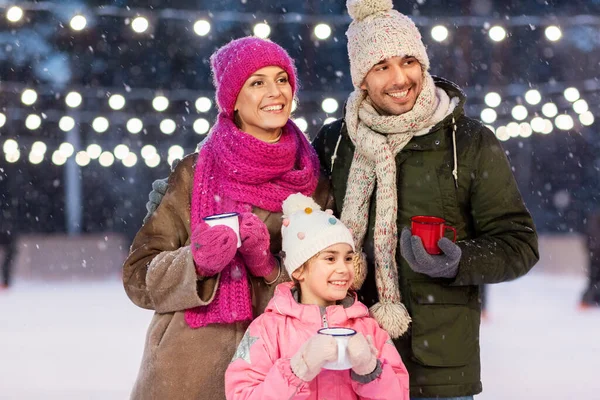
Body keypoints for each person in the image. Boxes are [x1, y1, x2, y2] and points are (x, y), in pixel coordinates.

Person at [311, 1, 539, 399]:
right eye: (382, 67)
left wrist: (458, 260)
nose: (400, 78)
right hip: (349, 354)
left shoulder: (468, 142)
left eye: (409, 61)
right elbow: (302, 224)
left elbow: (518, 243)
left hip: (437, 369)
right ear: (361, 79)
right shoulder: (336, 143)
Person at [122, 37, 333, 400]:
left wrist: (269, 268)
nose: (275, 92)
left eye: (282, 79)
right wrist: (196, 264)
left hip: (278, 374)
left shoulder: (312, 180)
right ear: (232, 100)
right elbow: (139, 278)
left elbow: (329, 284)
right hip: (185, 374)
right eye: (257, 82)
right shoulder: (193, 172)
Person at [225, 193, 409, 400]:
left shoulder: (368, 329)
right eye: (330, 258)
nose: (344, 269)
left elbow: (400, 394)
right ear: (298, 270)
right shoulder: (267, 330)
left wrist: (370, 370)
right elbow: (242, 395)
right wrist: (297, 369)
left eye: (348, 258)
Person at [580, 210, 600, 308]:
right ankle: (586, 302)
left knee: (594, 281)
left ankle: (589, 301)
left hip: (595, 256)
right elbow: (591, 240)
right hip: (596, 257)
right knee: (594, 281)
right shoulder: (594, 221)